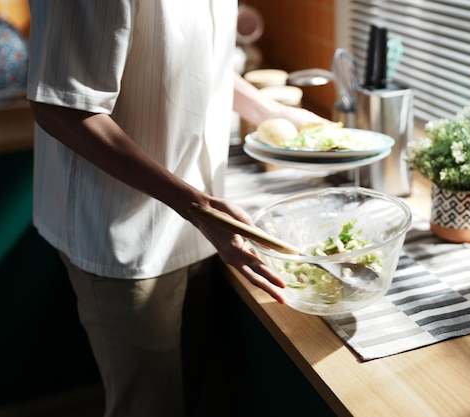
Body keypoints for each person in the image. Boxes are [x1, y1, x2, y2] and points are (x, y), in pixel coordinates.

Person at [26, 1, 329, 416]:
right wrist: (198, 205)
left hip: (195, 220)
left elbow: (199, 55)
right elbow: (63, 106)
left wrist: (269, 112)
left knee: (187, 394)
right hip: (124, 232)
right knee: (150, 407)